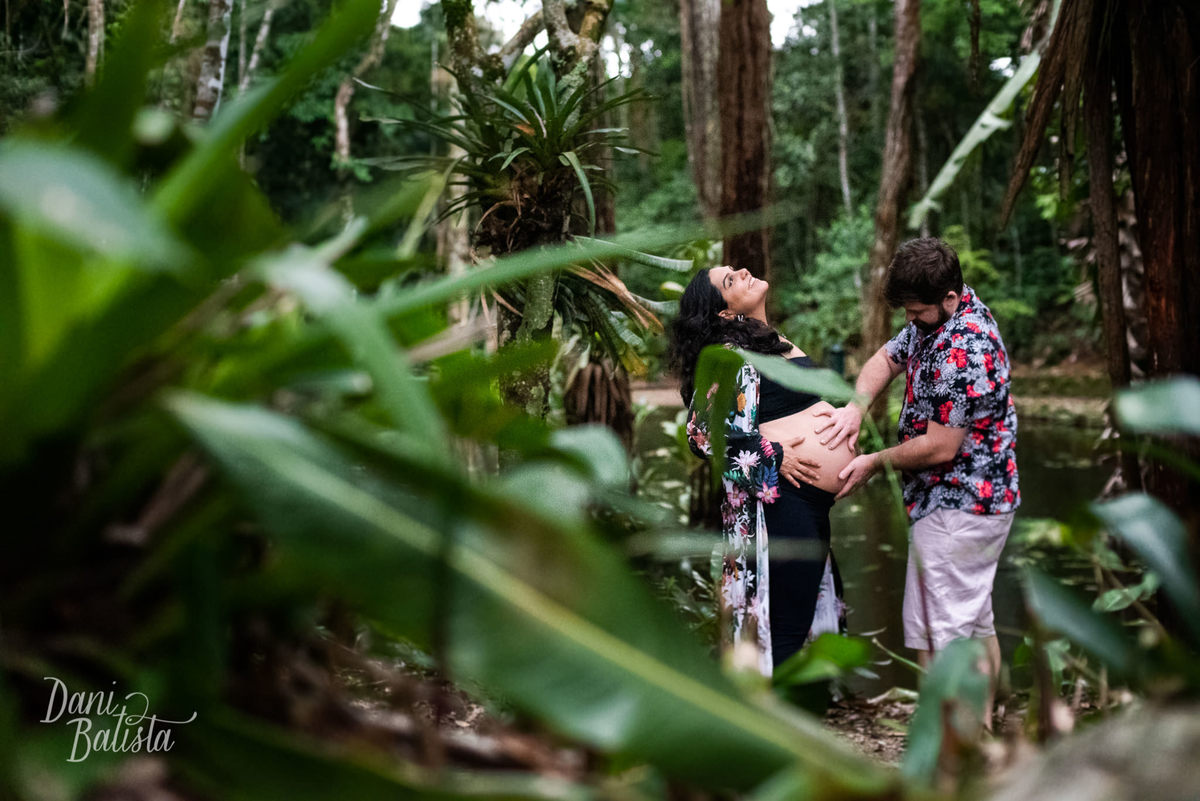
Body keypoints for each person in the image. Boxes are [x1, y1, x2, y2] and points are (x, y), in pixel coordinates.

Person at [818, 238, 1020, 729]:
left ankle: (952, 746)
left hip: (963, 502)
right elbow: (886, 359)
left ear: (950, 298)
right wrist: (856, 406)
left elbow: (940, 447)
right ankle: (983, 727)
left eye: (918, 310)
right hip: (955, 500)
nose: (911, 319)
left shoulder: (965, 346)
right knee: (973, 622)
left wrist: (873, 460)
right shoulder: (932, 320)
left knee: (939, 633)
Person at [669, 266, 857, 676]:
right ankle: (778, 723)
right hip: (779, 501)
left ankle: (792, 710)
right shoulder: (727, 355)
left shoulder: (775, 342)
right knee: (787, 619)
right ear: (722, 313)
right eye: (730, 281)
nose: (742, 272)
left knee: (802, 609)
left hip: (809, 500)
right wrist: (772, 455)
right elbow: (701, 434)